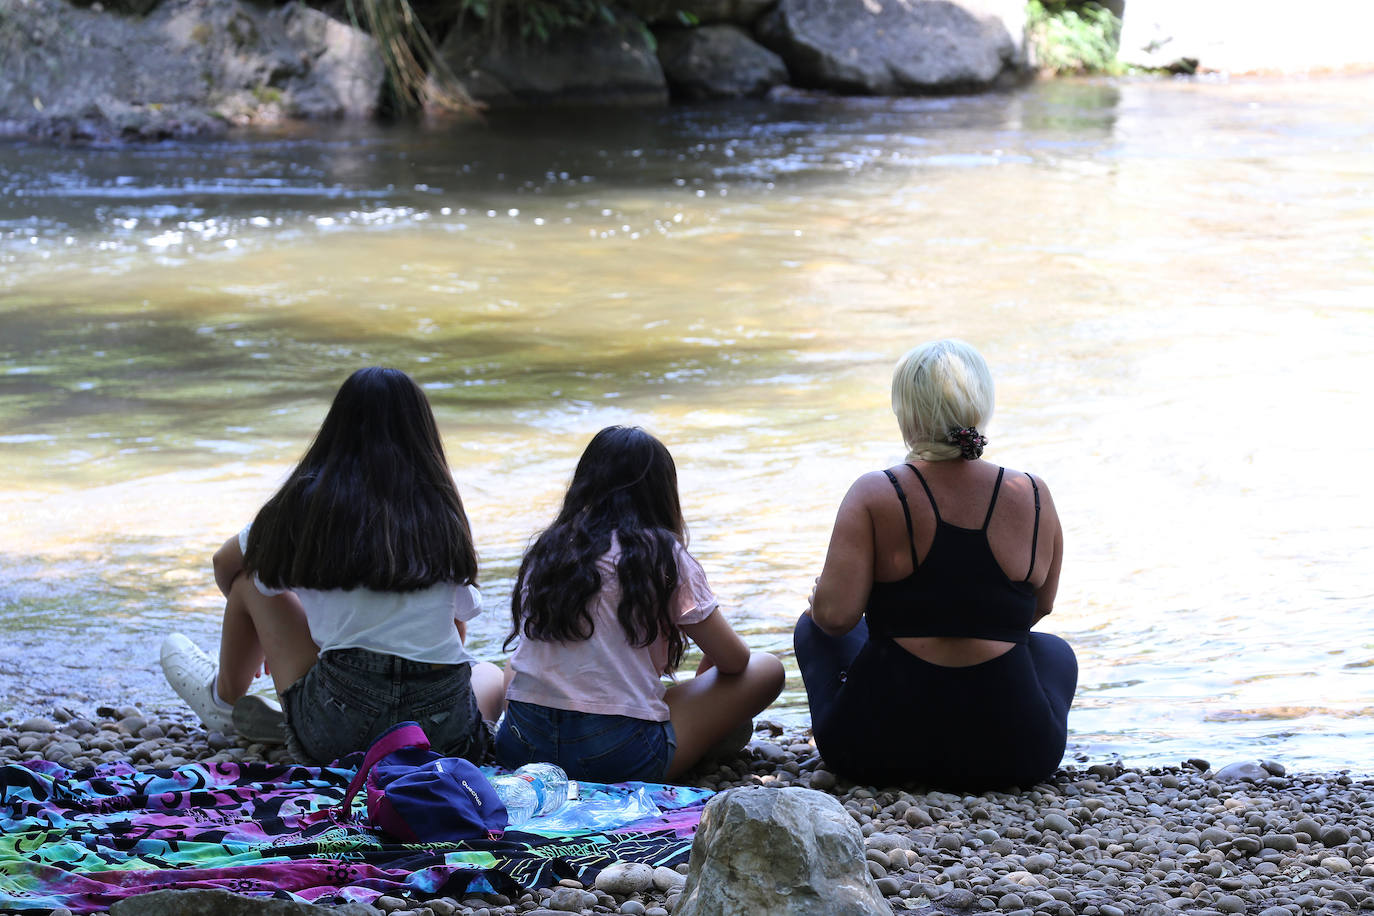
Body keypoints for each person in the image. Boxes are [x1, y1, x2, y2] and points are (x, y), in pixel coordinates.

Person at [159, 367, 504, 765]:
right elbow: (456, 628)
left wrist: (273, 631)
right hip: (443, 741)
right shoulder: (439, 510)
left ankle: (225, 698)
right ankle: (403, 740)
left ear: (335, 429)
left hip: (337, 730)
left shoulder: (305, 503)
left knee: (249, 578)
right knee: (490, 675)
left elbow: (225, 563)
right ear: (422, 434)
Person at [795, 339, 1076, 790]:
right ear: (981, 406)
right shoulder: (1034, 494)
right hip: (1016, 753)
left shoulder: (875, 492)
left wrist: (819, 600)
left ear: (905, 412)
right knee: (1053, 649)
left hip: (874, 751)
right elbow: (1039, 607)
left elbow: (833, 619)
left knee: (811, 628)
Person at [496, 426, 784, 783]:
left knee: (518, 660)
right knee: (768, 668)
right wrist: (706, 697)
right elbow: (735, 661)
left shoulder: (549, 549)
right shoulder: (663, 555)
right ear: (662, 494)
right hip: (617, 758)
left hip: (521, 750)